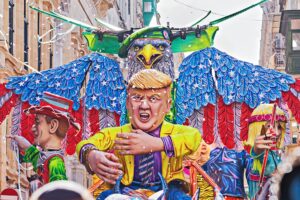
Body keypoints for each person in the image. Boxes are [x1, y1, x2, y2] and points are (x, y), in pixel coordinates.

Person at [76, 69, 201, 200]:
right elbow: (84, 144)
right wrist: (91, 154)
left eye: (153, 98)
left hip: (169, 189)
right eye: (137, 97)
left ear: (167, 105)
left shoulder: (176, 131)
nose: (144, 105)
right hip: (127, 189)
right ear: (127, 103)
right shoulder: (119, 133)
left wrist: (157, 143)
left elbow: (194, 138)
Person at [7, 92, 80, 186]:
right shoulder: (48, 158)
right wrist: (26, 147)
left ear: (53, 126)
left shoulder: (55, 163)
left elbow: (58, 193)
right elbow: (39, 159)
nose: (33, 127)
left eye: (37, 122)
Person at [246, 104, 287, 199]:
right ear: (257, 128)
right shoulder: (259, 156)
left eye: (279, 127)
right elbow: (257, 154)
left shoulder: (273, 154)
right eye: (269, 126)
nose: (276, 133)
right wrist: (257, 150)